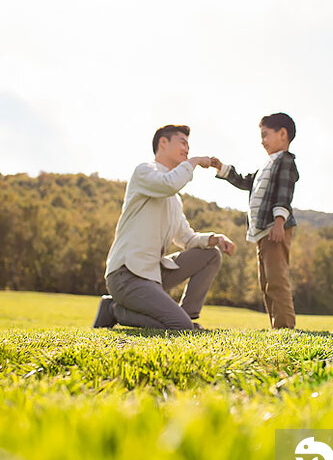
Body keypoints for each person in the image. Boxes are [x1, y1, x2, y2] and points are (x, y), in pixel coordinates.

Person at [93, 124, 235, 331]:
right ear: (163, 143)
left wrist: (216, 238)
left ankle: (186, 316)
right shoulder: (145, 172)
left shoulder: (174, 200)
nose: (187, 149)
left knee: (211, 255)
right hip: (127, 274)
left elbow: (186, 239)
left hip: (153, 273)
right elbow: (168, 184)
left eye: (189, 146)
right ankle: (114, 309)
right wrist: (193, 162)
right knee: (179, 326)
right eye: (182, 142)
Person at [211, 112, 299, 329]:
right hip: (263, 232)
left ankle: (284, 326)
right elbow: (244, 182)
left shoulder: (285, 162)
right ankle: (276, 325)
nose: (262, 141)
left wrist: (279, 221)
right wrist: (222, 168)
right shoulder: (266, 166)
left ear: (283, 134)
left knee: (277, 279)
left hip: (275, 229)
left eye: (265, 135)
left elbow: (284, 194)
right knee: (266, 282)